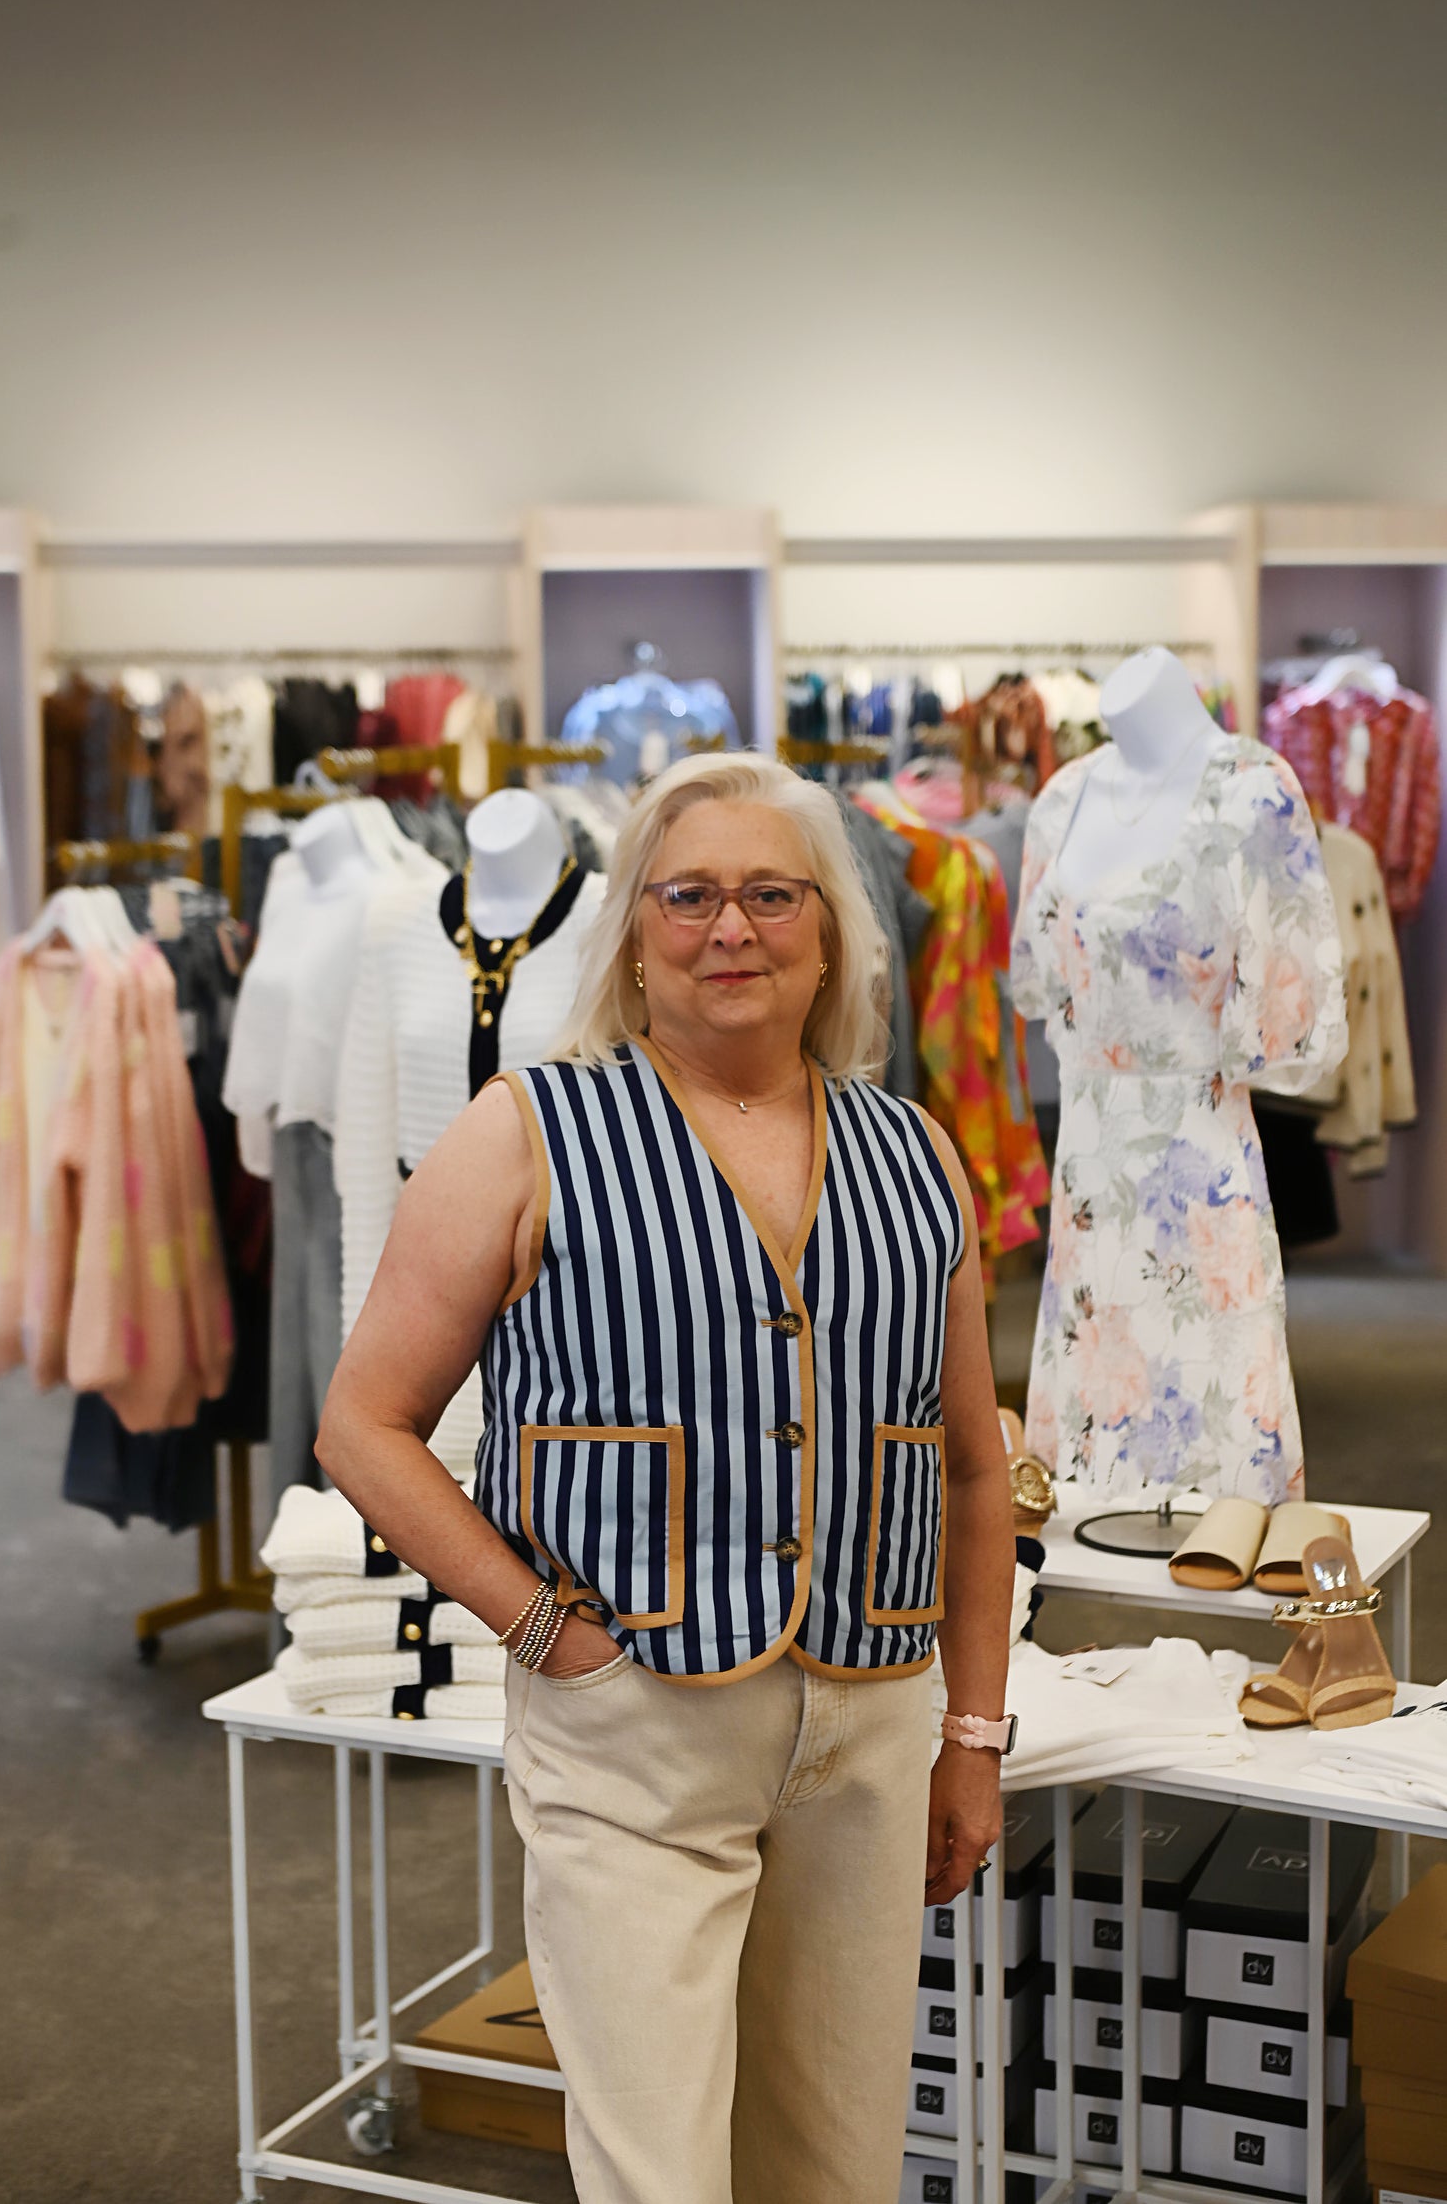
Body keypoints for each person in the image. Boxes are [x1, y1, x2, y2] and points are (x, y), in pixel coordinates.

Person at [319, 751, 1015, 2204]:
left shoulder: (919, 1159)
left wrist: (972, 1733)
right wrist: (535, 1624)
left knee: (834, 2160)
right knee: (661, 2171)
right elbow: (364, 1425)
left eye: (772, 894)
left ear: (831, 933)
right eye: (688, 895)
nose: (731, 928)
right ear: (635, 931)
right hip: (633, 1726)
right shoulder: (524, 1132)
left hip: (871, 1733)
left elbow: (967, 1463)